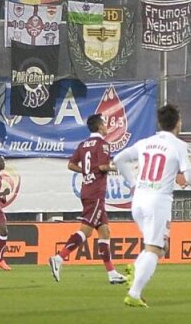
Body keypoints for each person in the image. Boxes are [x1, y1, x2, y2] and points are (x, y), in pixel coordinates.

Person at [113, 104, 191, 308]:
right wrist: (188, 170)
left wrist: (133, 183)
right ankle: (134, 293)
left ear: (159, 123)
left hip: (139, 200)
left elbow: (118, 159)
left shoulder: (146, 142)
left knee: (161, 246)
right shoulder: (179, 146)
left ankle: (136, 268)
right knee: (154, 248)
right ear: (178, 123)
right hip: (158, 201)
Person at [48, 114, 127, 285]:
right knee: (86, 230)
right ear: (99, 127)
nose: (106, 127)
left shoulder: (83, 145)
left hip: (87, 190)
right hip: (96, 193)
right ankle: (59, 258)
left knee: (104, 231)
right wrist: (118, 168)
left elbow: (71, 164)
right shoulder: (103, 145)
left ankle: (112, 272)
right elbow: (103, 166)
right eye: (105, 124)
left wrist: (86, 172)